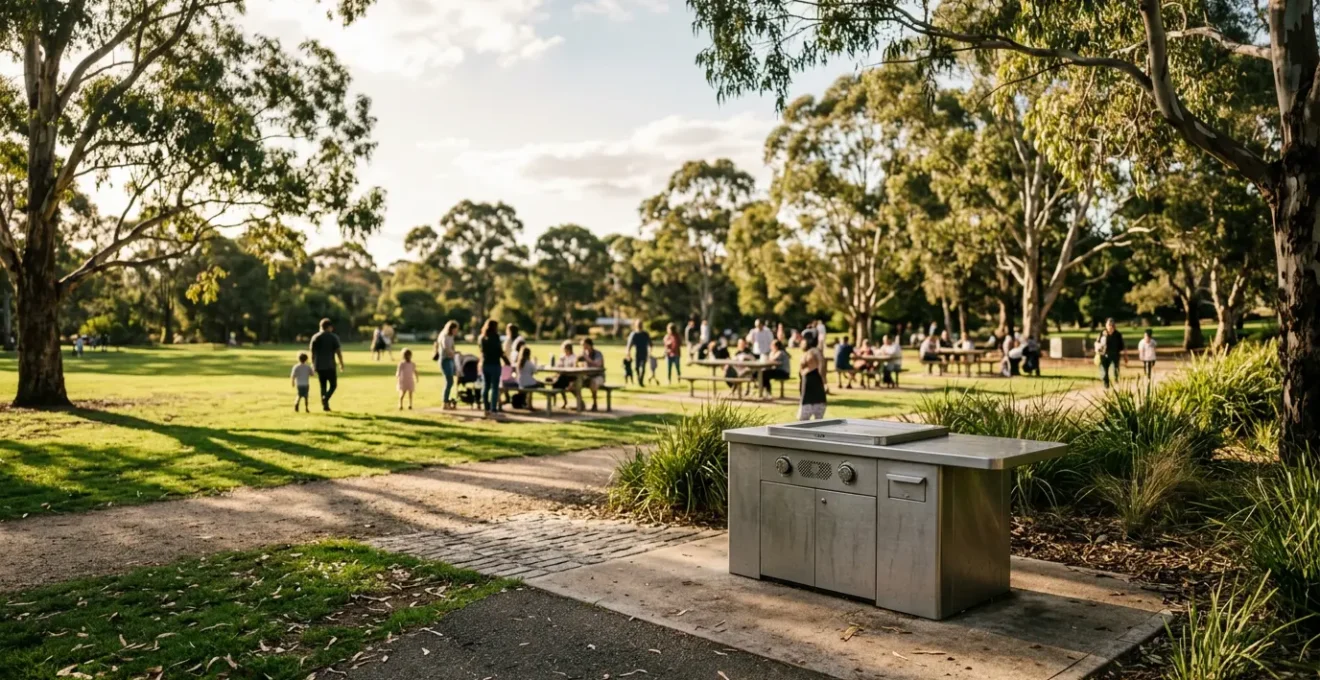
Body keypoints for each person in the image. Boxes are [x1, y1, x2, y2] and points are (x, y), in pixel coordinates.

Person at [308, 318, 344, 411]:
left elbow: (312, 352)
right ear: (329, 327)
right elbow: (338, 352)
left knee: (322, 385)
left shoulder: (315, 337)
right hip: (330, 365)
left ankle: (325, 405)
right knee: (333, 385)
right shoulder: (333, 337)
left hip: (319, 365)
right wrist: (341, 363)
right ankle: (326, 399)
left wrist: (313, 364)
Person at [479, 320, 508, 415]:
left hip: (485, 364)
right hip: (495, 364)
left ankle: (486, 408)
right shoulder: (495, 337)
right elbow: (500, 351)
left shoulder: (482, 338)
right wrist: (507, 361)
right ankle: (493, 409)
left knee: (486, 386)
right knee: (495, 387)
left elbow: (482, 351)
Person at [798, 333, 828, 420]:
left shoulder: (813, 352)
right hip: (812, 389)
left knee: (804, 420)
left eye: (803, 339)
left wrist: (824, 381)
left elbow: (820, 366)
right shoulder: (814, 352)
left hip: (812, 388)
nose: (801, 342)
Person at [435, 320, 460, 410]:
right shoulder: (445, 336)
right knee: (449, 381)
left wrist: (454, 353)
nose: (456, 331)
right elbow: (447, 348)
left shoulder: (451, 337)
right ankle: (445, 402)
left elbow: (452, 348)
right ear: (451, 328)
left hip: (450, 360)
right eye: (455, 329)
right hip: (445, 360)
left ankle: (446, 401)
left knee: (450, 381)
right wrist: (453, 353)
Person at [1097, 318, 1126, 388]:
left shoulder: (1118, 334)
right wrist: (1097, 350)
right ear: (1106, 325)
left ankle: (1116, 383)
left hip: (1115, 355)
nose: (1110, 326)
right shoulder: (1102, 333)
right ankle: (1106, 386)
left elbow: (1122, 346)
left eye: (1111, 325)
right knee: (1104, 372)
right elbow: (1097, 343)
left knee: (1115, 370)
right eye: (1108, 325)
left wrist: (1125, 355)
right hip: (1103, 355)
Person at [579, 338, 606, 411]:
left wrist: (587, 359)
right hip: (587, 376)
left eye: (584, 345)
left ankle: (595, 404)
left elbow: (598, 364)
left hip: (598, 376)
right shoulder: (584, 354)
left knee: (593, 382)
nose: (583, 347)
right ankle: (580, 403)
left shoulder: (597, 354)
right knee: (575, 383)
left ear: (589, 345)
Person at [552, 341, 579, 408]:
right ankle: (561, 401)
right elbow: (558, 366)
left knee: (558, 382)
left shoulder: (574, 357)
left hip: (571, 377)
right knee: (555, 381)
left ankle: (555, 395)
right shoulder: (563, 357)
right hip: (563, 376)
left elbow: (574, 368)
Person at [626, 320, 652, 387]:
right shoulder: (634, 334)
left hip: (644, 352)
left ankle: (641, 381)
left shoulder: (645, 334)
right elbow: (629, 345)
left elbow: (650, 344)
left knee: (643, 368)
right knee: (636, 368)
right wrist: (628, 353)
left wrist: (650, 353)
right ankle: (638, 379)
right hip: (637, 353)